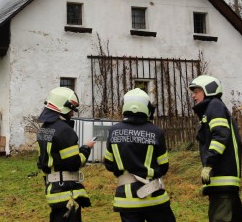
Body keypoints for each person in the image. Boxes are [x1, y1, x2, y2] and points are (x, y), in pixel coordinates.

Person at [104, 88, 176, 222]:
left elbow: (108, 164)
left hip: (126, 200)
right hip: (154, 197)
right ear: (146, 107)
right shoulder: (156, 132)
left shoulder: (113, 131)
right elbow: (164, 166)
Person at [189, 75, 242, 222]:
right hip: (224, 179)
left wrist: (209, 163)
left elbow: (220, 135)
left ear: (208, 90)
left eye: (196, 91)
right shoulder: (213, 107)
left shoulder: (214, 106)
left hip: (222, 177)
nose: (193, 96)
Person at [37, 87, 95, 222]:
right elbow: (74, 163)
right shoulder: (64, 130)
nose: (72, 114)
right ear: (64, 107)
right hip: (67, 191)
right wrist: (86, 148)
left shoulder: (43, 130)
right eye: (71, 110)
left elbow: (42, 161)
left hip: (53, 190)